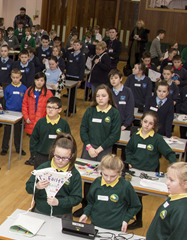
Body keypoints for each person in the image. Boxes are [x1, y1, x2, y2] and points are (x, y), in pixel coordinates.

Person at [26, 133, 82, 240]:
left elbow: (77, 198)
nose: (60, 161)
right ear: (52, 152)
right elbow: (29, 187)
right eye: (57, 156)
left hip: (61, 216)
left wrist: (60, 202)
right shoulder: (43, 167)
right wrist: (37, 186)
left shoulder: (74, 174)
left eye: (65, 158)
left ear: (71, 156)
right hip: (41, 213)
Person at [74, 85, 121, 217]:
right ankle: (85, 206)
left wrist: (99, 149)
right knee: (87, 179)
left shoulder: (114, 113)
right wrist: (89, 147)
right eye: (98, 95)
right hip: (89, 150)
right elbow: (83, 129)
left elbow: (115, 135)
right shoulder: (90, 111)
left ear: (109, 97)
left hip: (104, 150)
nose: (100, 98)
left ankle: (99, 208)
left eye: (104, 96)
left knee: (103, 178)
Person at [125, 111, 176, 230]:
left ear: (154, 126)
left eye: (150, 123)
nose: (147, 125)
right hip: (134, 171)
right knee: (130, 194)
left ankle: (138, 220)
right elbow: (128, 150)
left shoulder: (157, 139)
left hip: (148, 173)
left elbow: (170, 153)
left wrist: (173, 168)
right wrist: (129, 161)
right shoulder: (135, 136)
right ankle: (129, 218)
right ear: (141, 121)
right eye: (145, 121)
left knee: (137, 196)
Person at [146, 162, 187, 240]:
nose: (167, 183)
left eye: (171, 180)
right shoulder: (174, 198)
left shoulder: (182, 210)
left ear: (185, 184)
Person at [29, 97, 71, 169]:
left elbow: (68, 141)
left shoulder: (64, 124)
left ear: (59, 110)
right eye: (48, 107)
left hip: (58, 157)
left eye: (54, 108)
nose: (50, 110)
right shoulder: (40, 122)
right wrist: (34, 154)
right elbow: (34, 139)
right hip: (41, 156)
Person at [23, 72, 54, 165]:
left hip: (42, 122)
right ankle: (32, 157)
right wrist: (26, 117)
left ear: (44, 81)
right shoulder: (29, 91)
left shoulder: (48, 93)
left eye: (41, 80)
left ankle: (41, 158)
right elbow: (24, 105)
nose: (39, 82)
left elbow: (51, 108)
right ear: (34, 80)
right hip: (31, 121)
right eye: (37, 80)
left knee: (42, 141)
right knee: (33, 141)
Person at [1, 69, 27, 156]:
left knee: (18, 132)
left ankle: (18, 148)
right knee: (7, 132)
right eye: (13, 78)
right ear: (11, 77)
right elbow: (5, 100)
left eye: (17, 77)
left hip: (19, 113)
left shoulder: (24, 88)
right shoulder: (8, 88)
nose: (15, 79)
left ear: (21, 77)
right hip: (9, 113)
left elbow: (25, 101)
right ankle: (4, 148)